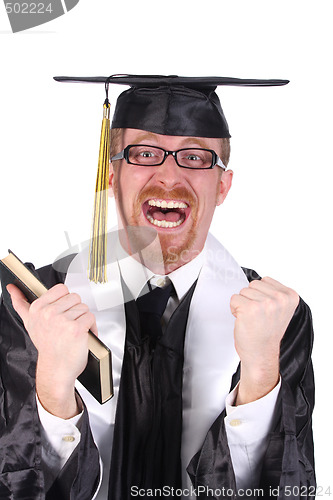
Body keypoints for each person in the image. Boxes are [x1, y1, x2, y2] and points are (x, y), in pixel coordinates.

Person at [0, 75, 315, 499]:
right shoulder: (39, 305)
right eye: (145, 153)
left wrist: (259, 375)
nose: (168, 175)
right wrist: (55, 385)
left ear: (222, 186)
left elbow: (288, 487)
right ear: (113, 176)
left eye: (196, 157)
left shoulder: (277, 317)